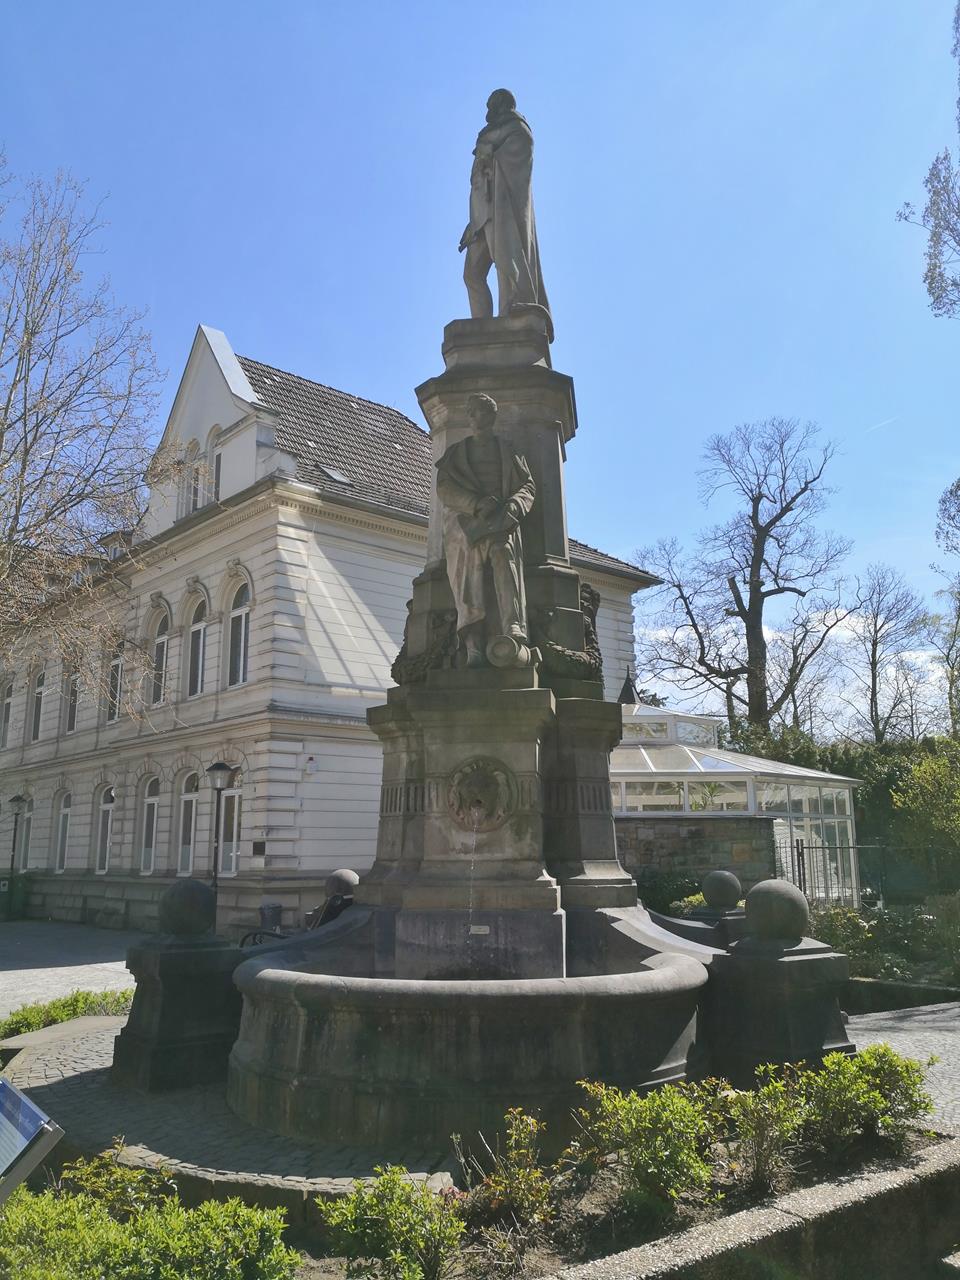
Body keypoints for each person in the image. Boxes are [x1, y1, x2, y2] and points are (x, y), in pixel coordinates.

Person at [436, 394, 535, 667]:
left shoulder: (508, 451)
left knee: (503, 552)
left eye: (481, 412)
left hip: (501, 520)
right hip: (466, 523)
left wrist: (514, 506)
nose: (475, 417)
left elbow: (527, 486)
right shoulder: (456, 453)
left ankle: (512, 625)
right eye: (471, 412)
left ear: (492, 416)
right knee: (467, 562)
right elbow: (445, 488)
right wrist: (475, 503)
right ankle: (472, 641)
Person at [459, 89, 551, 330]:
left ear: (502, 105)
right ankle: (480, 328)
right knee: (472, 274)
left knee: (506, 263)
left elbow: (514, 166)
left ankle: (511, 315)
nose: (488, 112)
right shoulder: (489, 134)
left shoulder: (517, 130)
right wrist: (472, 221)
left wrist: (488, 153)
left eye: (492, 105)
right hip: (482, 214)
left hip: (502, 210)